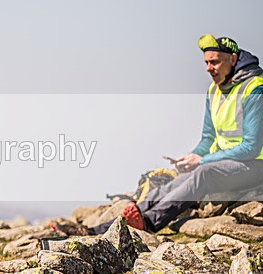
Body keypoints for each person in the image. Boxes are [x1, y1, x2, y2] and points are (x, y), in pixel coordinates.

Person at [86, 35, 263, 235]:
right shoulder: (214, 90)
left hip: (255, 165)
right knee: (182, 176)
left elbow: (252, 147)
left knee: (204, 173)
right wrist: (190, 158)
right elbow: (208, 138)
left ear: (232, 59)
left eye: (214, 62)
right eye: (206, 62)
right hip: (225, 163)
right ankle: (101, 229)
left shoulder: (255, 88)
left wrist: (203, 160)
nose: (208, 68)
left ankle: (150, 222)